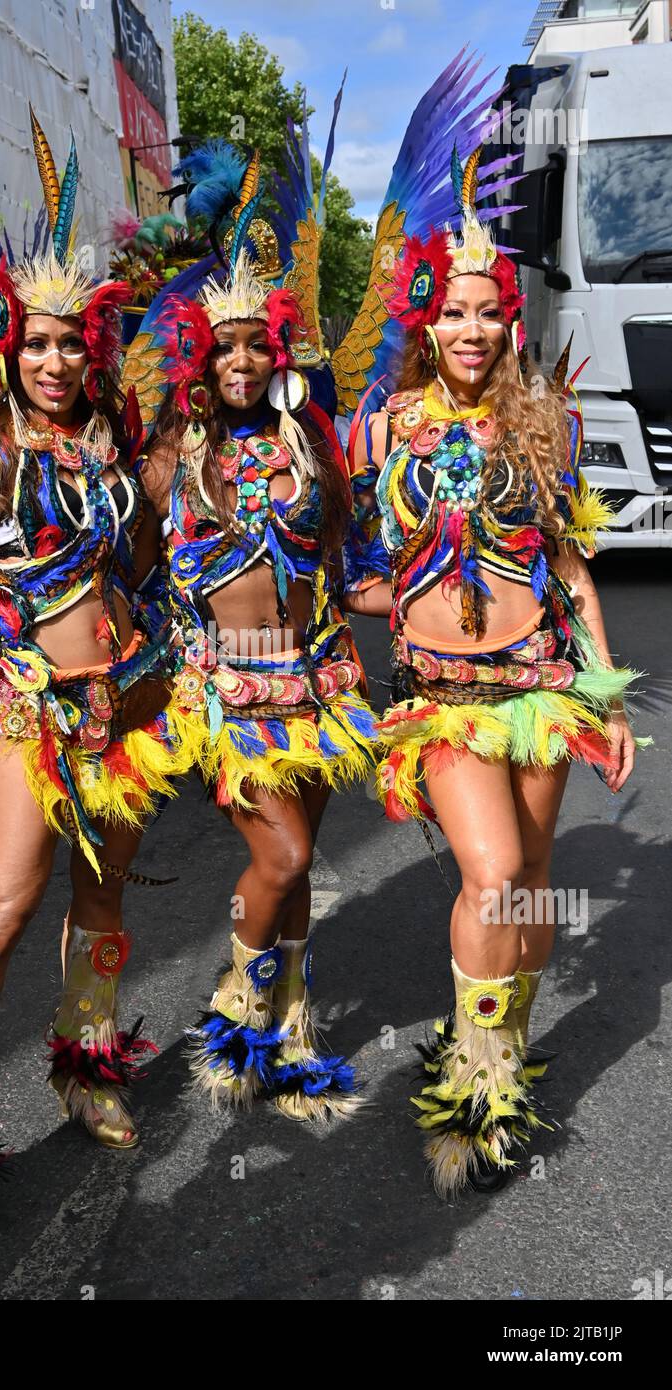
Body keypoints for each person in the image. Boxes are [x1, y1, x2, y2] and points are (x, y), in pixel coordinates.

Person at [0, 111, 188, 1264]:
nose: (57, 360)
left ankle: (86, 1068)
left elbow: (147, 564)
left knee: (105, 907)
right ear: (9, 343)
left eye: (74, 343)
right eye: (40, 343)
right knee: (1, 914)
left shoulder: (112, 438)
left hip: (130, 715)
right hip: (29, 712)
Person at [356, 146, 645, 1197]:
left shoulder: (544, 425)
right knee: (487, 876)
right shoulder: (379, 429)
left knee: (526, 885)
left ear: (506, 321)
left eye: (488, 313)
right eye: (454, 313)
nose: (470, 331)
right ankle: (471, 1095)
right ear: (425, 320)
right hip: (441, 701)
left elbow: (568, 566)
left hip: (541, 690)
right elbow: (332, 552)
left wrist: (604, 693)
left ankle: (503, 1063)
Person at [131, 138, 382, 1124]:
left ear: (278, 354)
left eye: (255, 346)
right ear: (203, 356)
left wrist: (423, 599)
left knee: (302, 869)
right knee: (275, 860)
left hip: (317, 685)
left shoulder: (310, 446)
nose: (240, 361)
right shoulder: (168, 458)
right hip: (225, 695)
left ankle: (291, 1027)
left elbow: (347, 565)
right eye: (222, 346)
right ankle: (238, 1010)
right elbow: (122, 567)